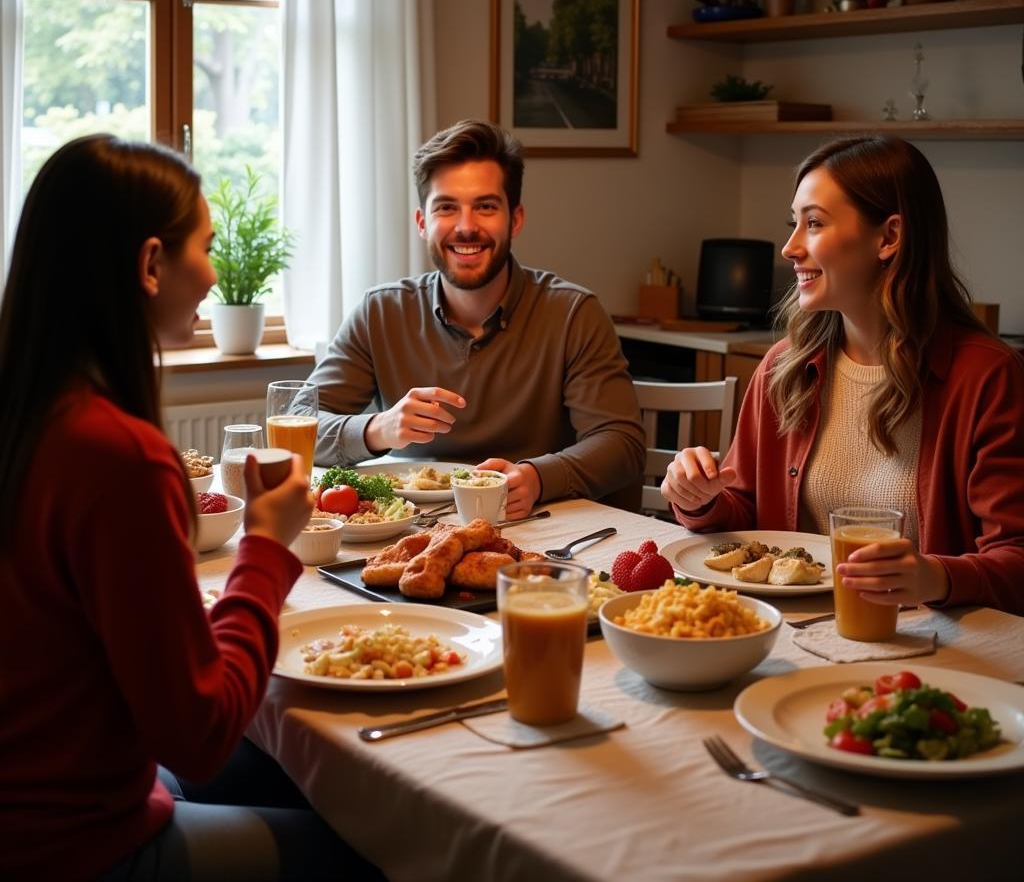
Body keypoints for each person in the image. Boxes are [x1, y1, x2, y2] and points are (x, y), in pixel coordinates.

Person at [0, 136, 379, 881]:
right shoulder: (116, 454)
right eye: (203, 247)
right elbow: (198, 734)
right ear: (149, 264)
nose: (211, 274)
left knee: (277, 773)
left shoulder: (29, 414)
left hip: (34, 805)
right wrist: (266, 549)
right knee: (384, 852)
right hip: (76, 847)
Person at [662, 136, 1024, 616]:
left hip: (933, 646)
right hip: (790, 634)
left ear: (889, 237)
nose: (790, 248)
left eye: (814, 223)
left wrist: (933, 575)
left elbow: (1017, 561)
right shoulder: (782, 367)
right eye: (794, 224)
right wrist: (699, 499)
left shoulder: (987, 376)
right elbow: (744, 511)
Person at [309, 119, 645, 518]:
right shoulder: (380, 312)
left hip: (540, 529)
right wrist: (377, 428)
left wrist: (538, 476)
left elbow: (621, 443)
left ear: (515, 219)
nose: (466, 227)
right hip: (412, 531)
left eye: (485, 207)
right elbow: (297, 422)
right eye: (447, 207)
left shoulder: (573, 313)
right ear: (422, 223)